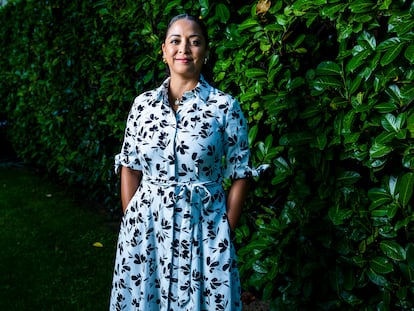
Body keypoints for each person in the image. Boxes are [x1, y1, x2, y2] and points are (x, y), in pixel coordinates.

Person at [110, 13, 263, 311]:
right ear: (164, 51)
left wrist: (225, 229)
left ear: (205, 51)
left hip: (204, 232)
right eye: (176, 41)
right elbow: (129, 165)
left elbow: (241, 171)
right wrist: (133, 220)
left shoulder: (224, 107)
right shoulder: (142, 106)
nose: (184, 49)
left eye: (194, 42)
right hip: (147, 232)